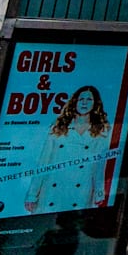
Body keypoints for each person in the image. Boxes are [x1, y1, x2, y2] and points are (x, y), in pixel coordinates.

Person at [24, 85, 116, 214]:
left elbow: (99, 166)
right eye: (81, 99)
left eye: (89, 100)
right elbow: (43, 163)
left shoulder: (100, 132)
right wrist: (32, 195)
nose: (84, 103)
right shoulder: (58, 127)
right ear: (75, 102)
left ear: (95, 104)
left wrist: (99, 193)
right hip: (52, 191)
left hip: (81, 192)